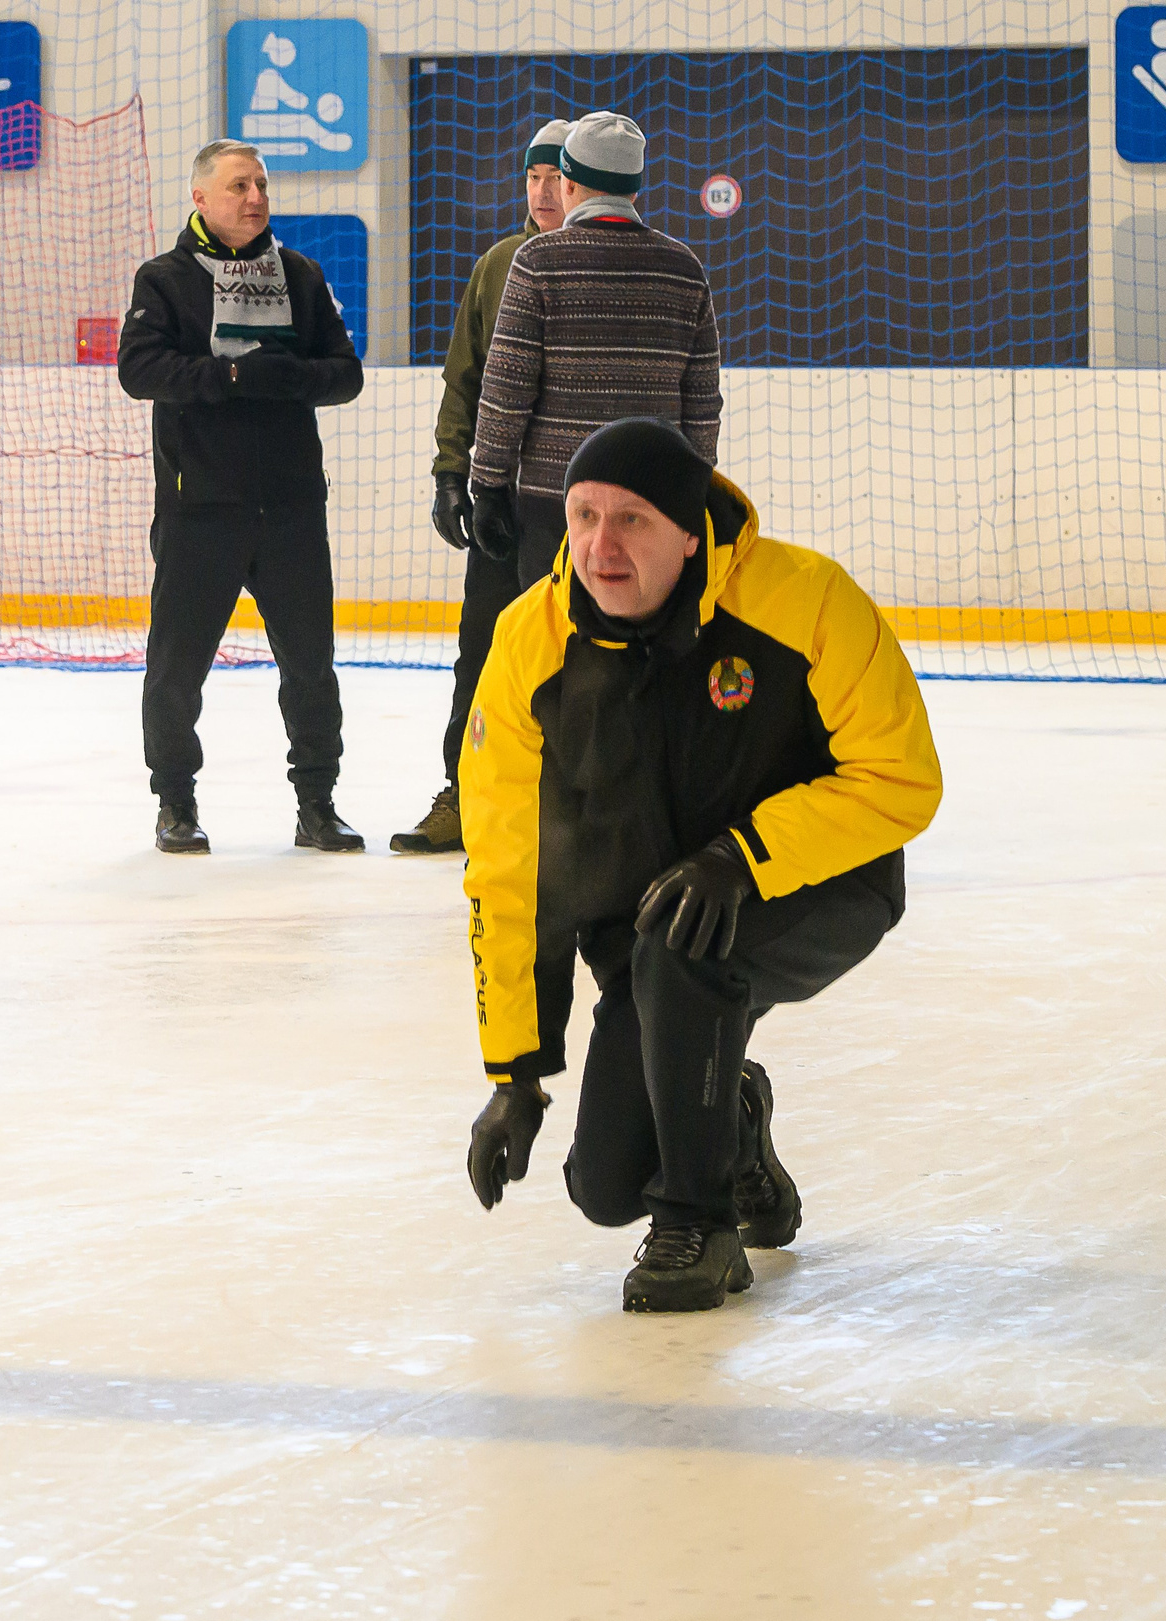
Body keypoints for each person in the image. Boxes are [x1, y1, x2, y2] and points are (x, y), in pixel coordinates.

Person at [458, 419, 943, 1313]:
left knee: (683, 948)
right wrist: (514, 1073)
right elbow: (507, 866)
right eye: (583, 516)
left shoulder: (805, 602)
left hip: (820, 885)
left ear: (691, 532)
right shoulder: (530, 645)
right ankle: (733, 1115)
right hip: (648, 928)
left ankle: (698, 1225)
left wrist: (744, 857)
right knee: (603, 1186)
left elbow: (902, 777)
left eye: (632, 521)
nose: (602, 547)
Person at [118, 139, 366, 856]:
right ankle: (175, 804)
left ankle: (317, 804)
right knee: (175, 669)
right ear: (200, 199)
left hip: (290, 510)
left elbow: (344, 374)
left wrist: (291, 378)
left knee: (312, 669)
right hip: (202, 512)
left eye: (260, 183)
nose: (255, 197)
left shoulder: (299, 273)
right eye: (238, 186)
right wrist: (226, 379)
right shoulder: (163, 279)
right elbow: (139, 370)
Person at [391, 118, 571, 857]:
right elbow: (464, 382)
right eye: (533, 177)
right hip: (503, 503)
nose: (543, 191)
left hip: (586, 514)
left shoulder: (619, 262)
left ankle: (573, 807)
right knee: (482, 650)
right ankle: (464, 795)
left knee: (581, 656)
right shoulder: (497, 265)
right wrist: (450, 471)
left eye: (558, 176)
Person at [466, 110, 721, 625]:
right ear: (632, 188)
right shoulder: (684, 269)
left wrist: (488, 485)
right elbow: (702, 403)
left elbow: (506, 387)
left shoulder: (538, 261)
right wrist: (693, 491)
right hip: (653, 505)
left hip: (556, 506)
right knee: (641, 650)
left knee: (558, 651)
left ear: (571, 183)